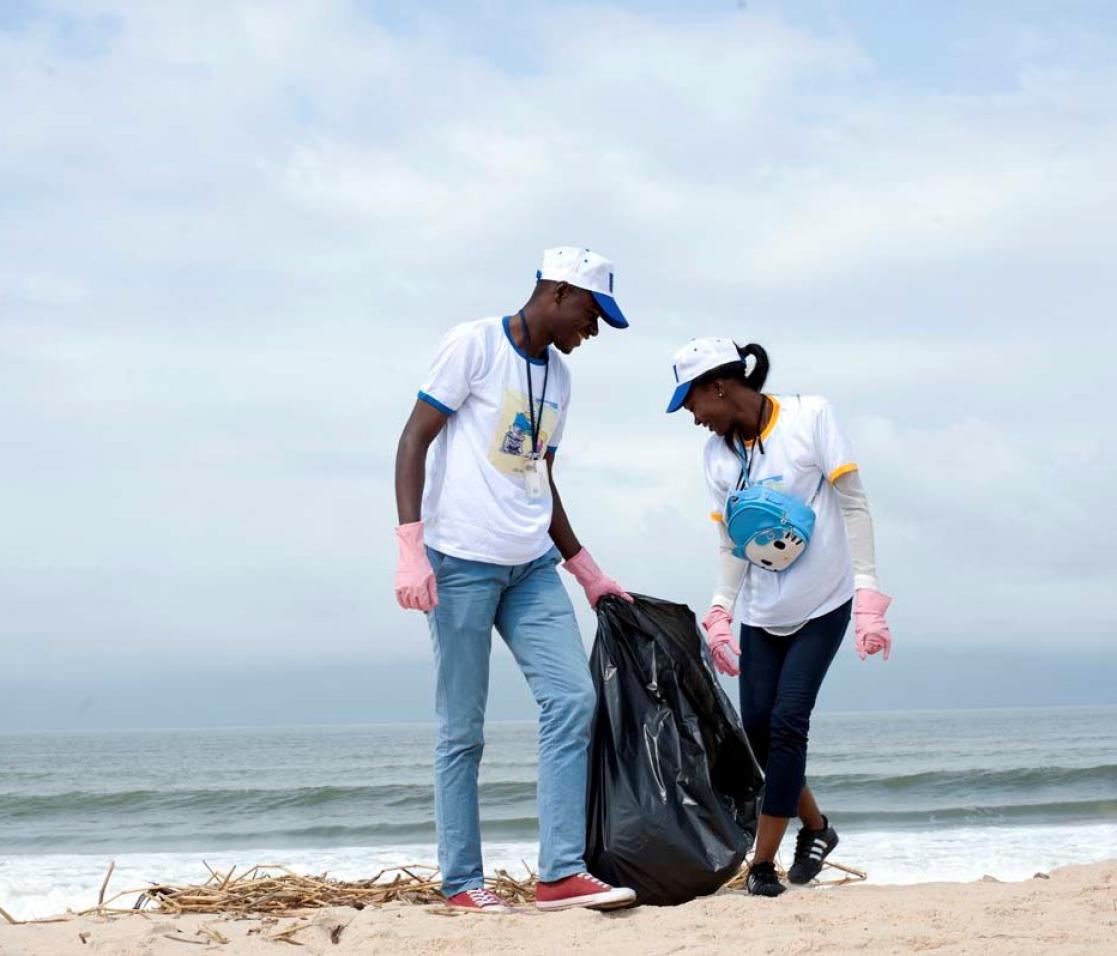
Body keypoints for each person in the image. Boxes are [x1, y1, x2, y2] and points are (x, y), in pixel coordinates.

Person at [394, 247, 638, 914]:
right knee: (462, 730)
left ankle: (559, 872)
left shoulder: (559, 377)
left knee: (572, 700)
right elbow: (413, 438)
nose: (591, 330)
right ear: (557, 293)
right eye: (591, 313)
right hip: (459, 563)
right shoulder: (471, 345)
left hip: (531, 567)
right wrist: (410, 548)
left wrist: (584, 569)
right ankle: (461, 884)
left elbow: (539, 474)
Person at [665, 337, 893, 897]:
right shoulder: (717, 455)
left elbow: (854, 504)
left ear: (718, 385)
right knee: (761, 736)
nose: (691, 417)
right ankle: (817, 827)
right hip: (764, 613)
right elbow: (730, 543)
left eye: (691, 401)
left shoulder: (811, 416)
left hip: (825, 601)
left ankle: (762, 864)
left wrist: (868, 595)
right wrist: (721, 610)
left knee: (790, 722)